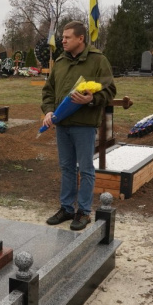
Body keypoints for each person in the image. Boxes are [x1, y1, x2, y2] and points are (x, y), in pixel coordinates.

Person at [41, 21, 116, 231]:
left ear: (80, 38)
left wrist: (92, 99)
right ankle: (66, 208)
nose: (62, 41)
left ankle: (83, 211)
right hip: (62, 124)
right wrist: (48, 111)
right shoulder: (61, 61)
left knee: (85, 169)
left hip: (84, 125)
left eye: (67, 37)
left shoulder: (98, 61)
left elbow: (110, 90)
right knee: (66, 168)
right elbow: (48, 91)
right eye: (62, 37)